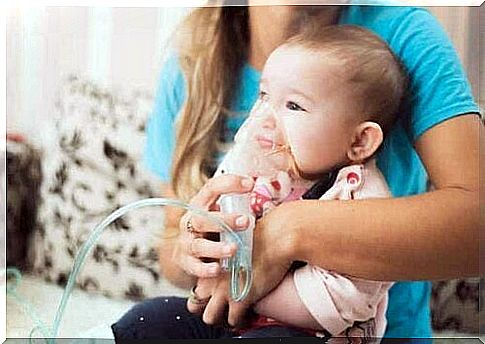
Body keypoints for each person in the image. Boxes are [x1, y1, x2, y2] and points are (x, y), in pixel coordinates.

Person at [111, 1, 481, 340]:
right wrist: (196, 251)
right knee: (144, 322)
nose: (265, 120)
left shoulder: (405, 39)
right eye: (263, 97)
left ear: (361, 142)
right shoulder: (191, 61)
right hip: (236, 326)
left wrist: (288, 231)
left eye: (294, 106)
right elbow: (175, 250)